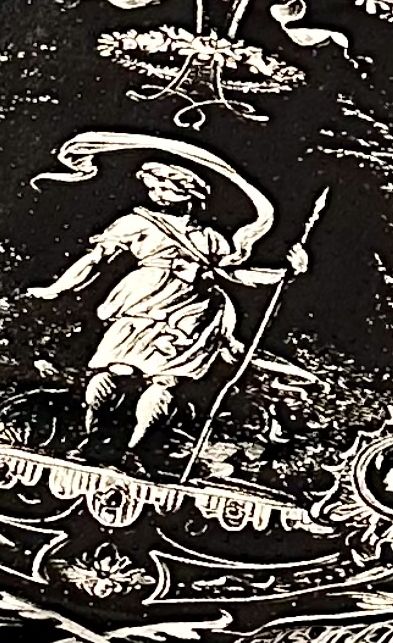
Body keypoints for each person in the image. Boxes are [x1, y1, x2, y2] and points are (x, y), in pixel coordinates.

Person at [28, 159, 305, 452]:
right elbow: (94, 259)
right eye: (153, 188)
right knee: (113, 372)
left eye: (166, 187)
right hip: (141, 305)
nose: (157, 194)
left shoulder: (210, 238)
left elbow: (235, 275)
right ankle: (93, 438)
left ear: (190, 192)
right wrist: (56, 288)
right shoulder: (136, 223)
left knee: (164, 382)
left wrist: (288, 272)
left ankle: (136, 449)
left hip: (188, 314)